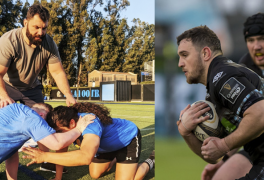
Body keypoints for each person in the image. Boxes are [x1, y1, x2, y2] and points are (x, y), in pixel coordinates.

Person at [176, 25, 264, 179]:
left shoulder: (222, 77)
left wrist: (223, 145)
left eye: (185, 55)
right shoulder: (218, 82)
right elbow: (215, 155)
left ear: (205, 53)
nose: (180, 63)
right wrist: (186, 132)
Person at [0, 3, 77, 172]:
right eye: (36, 27)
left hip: (31, 88)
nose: (40, 32)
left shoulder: (48, 43)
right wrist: (4, 95)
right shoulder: (9, 40)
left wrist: (68, 95)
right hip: (6, 86)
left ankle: (47, 160)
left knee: (45, 121)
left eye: (44, 28)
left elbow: (57, 72)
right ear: (25, 22)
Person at [22, 102, 155, 180]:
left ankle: (151, 160)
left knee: (134, 178)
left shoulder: (90, 123)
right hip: (104, 147)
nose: (60, 135)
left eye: (60, 131)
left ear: (73, 123)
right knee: (95, 174)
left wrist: (44, 156)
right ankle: (116, 158)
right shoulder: (65, 122)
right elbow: (61, 147)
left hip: (127, 139)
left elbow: (85, 157)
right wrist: (58, 178)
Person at [0, 102, 94, 180]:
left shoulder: (15, 108)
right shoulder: (33, 118)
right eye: (46, 125)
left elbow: (11, 152)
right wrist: (78, 129)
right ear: (41, 115)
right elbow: (56, 144)